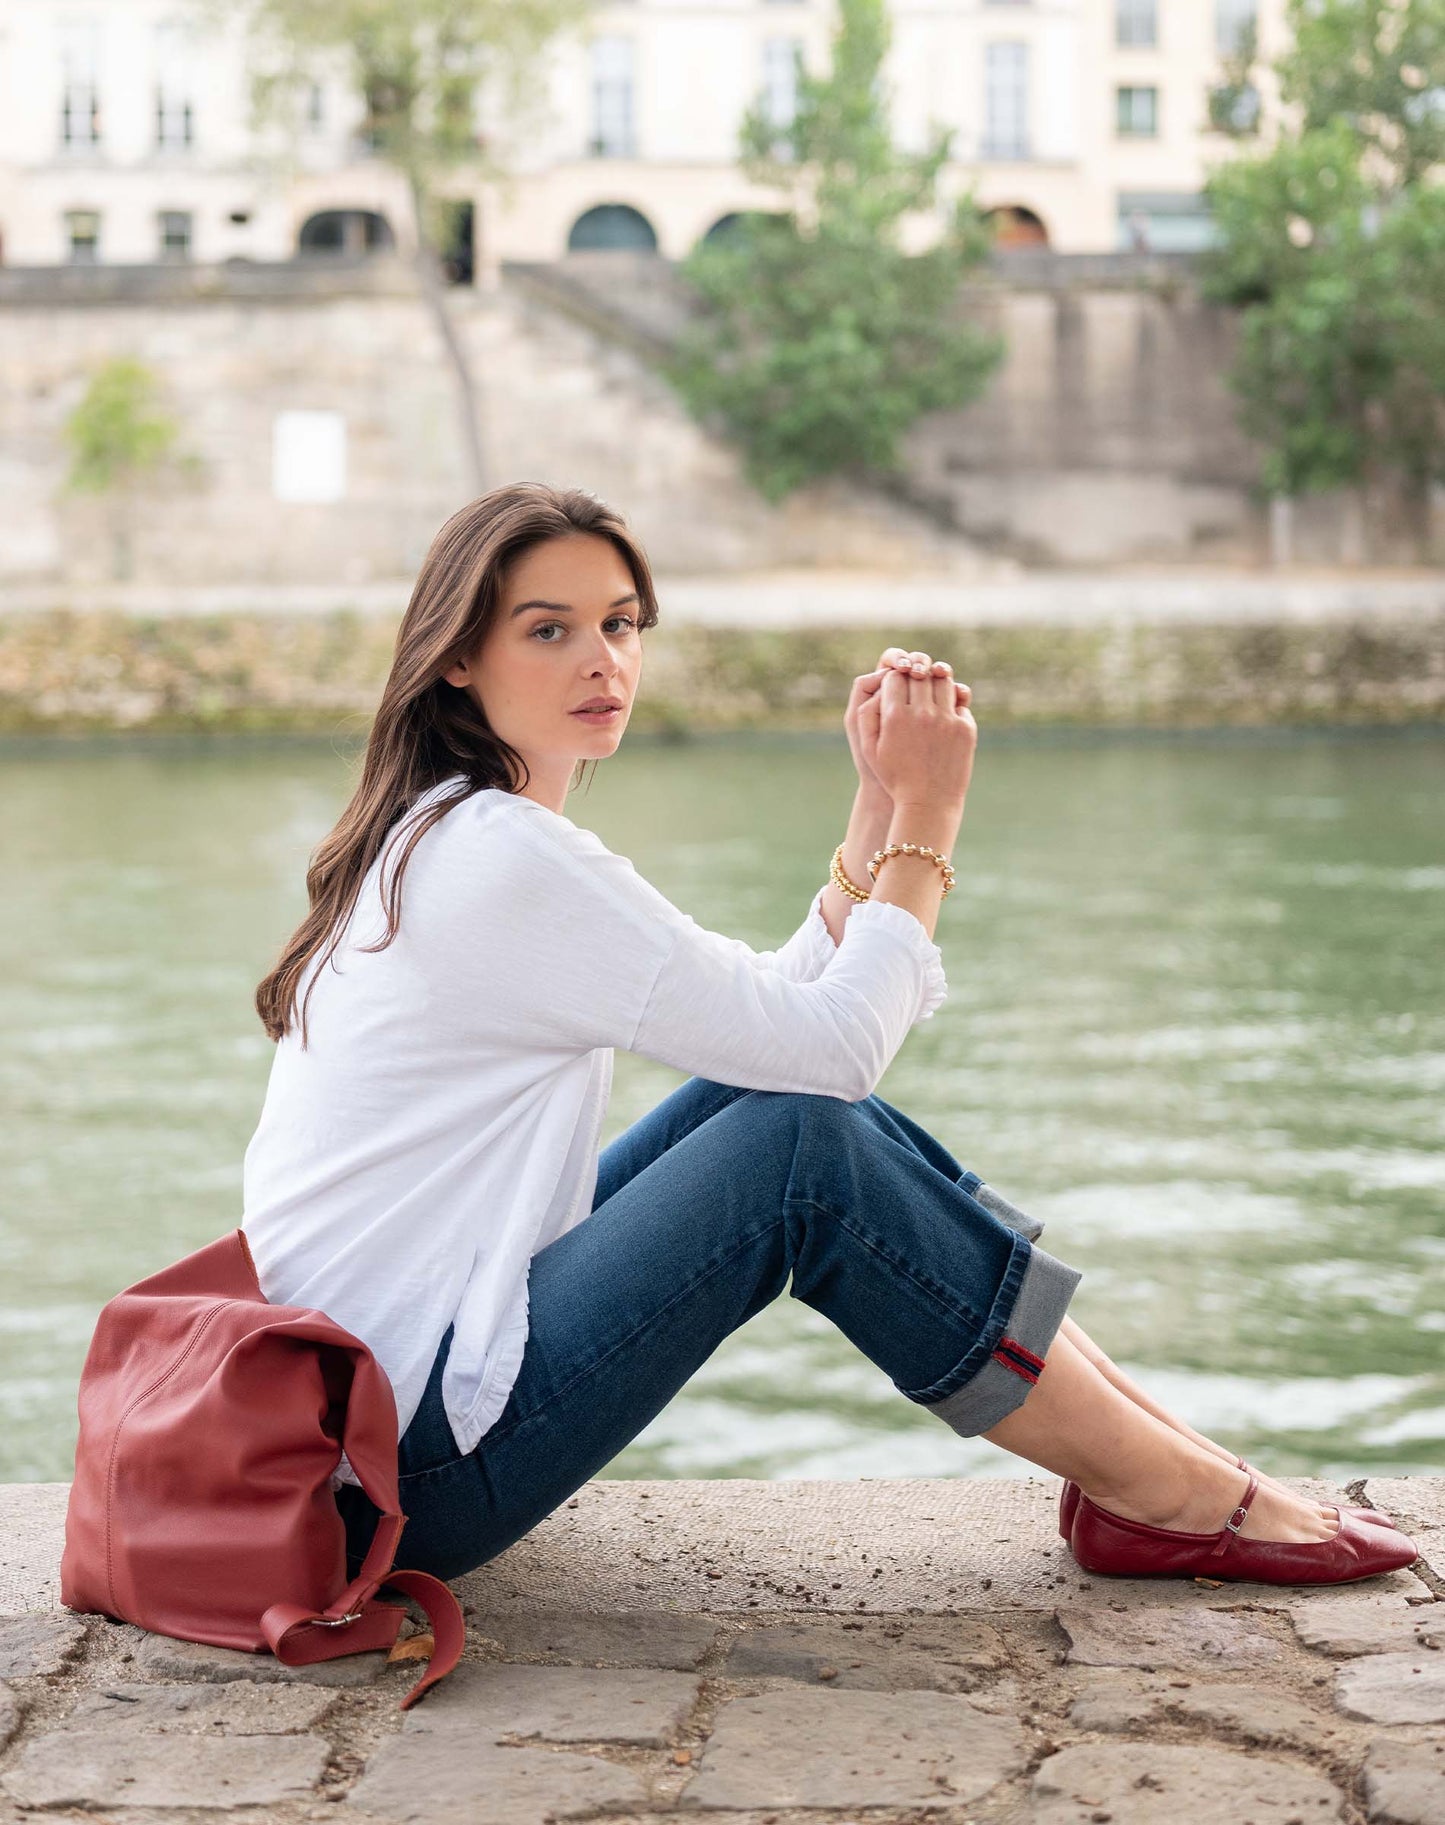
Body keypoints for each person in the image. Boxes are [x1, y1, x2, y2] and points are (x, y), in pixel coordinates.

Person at [243, 482, 1416, 1589]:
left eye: (620, 622)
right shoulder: (500, 860)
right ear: (456, 655)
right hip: (405, 1477)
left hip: (381, 1424)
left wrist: (873, 810)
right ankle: (1163, 1491)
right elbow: (836, 1052)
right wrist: (929, 814)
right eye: (548, 630)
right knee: (803, 1150)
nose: (603, 660)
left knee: (766, 1108)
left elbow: (775, 1030)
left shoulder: (450, 832)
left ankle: (1159, 1462)